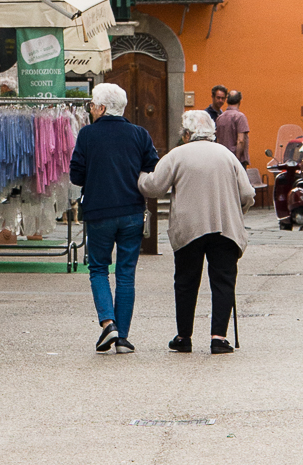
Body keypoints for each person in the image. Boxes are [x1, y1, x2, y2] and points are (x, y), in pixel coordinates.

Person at [139, 109, 254, 354]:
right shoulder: (227, 155)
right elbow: (247, 193)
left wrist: (139, 176)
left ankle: (184, 337)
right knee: (223, 281)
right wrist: (237, 209)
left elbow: (154, 187)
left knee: (186, 281)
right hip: (224, 228)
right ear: (211, 132)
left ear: (187, 133)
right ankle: (219, 338)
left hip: (190, 228)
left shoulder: (177, 155)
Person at [70, 81, 159, 354]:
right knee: (126, 273)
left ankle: (109, 324)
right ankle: (123, 338)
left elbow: (76, 175)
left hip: (98, 212)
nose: (92, 109)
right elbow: (153, 166)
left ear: (102, 108)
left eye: (94, 105)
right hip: (132, 211)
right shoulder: (140, 134)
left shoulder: (87, 135)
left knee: (98, 269)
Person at [215, 89, 250, 166]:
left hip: (223, 159)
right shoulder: (240, 117)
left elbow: (218, 139)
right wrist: (236, 159)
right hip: (236, 160)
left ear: (227, 101)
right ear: (240, 101)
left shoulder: (220, 118)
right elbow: (240, 140)